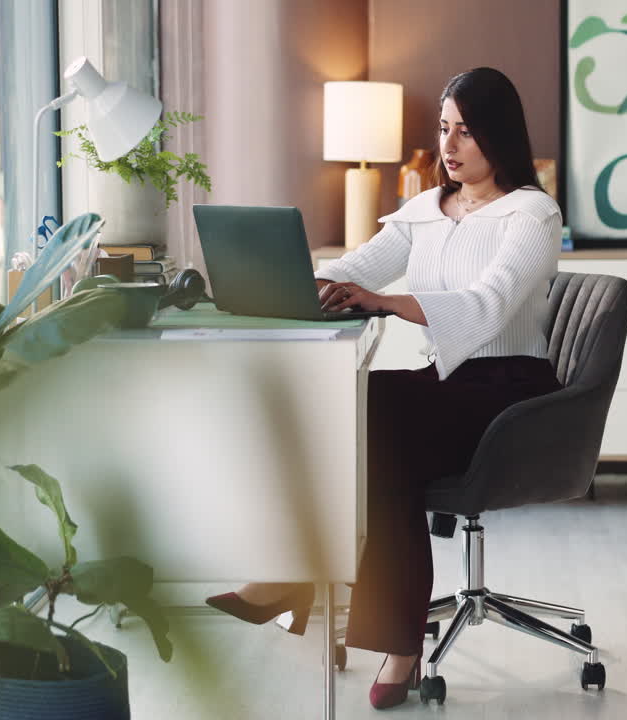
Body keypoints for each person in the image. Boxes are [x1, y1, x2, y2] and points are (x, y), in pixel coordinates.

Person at [206, 66, 563, 710]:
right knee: (361, 415)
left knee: (376, 419)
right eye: (444, 130)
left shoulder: (532, 214)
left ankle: (310, 586)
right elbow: (354, 267)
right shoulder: (426, 209)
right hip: (444, 385)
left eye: (466, 133)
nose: (449, 147)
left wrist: (384, 302)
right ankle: (384, 631)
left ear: (500, 137)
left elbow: (487, 306)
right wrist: (300, 282)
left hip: (508, 392)